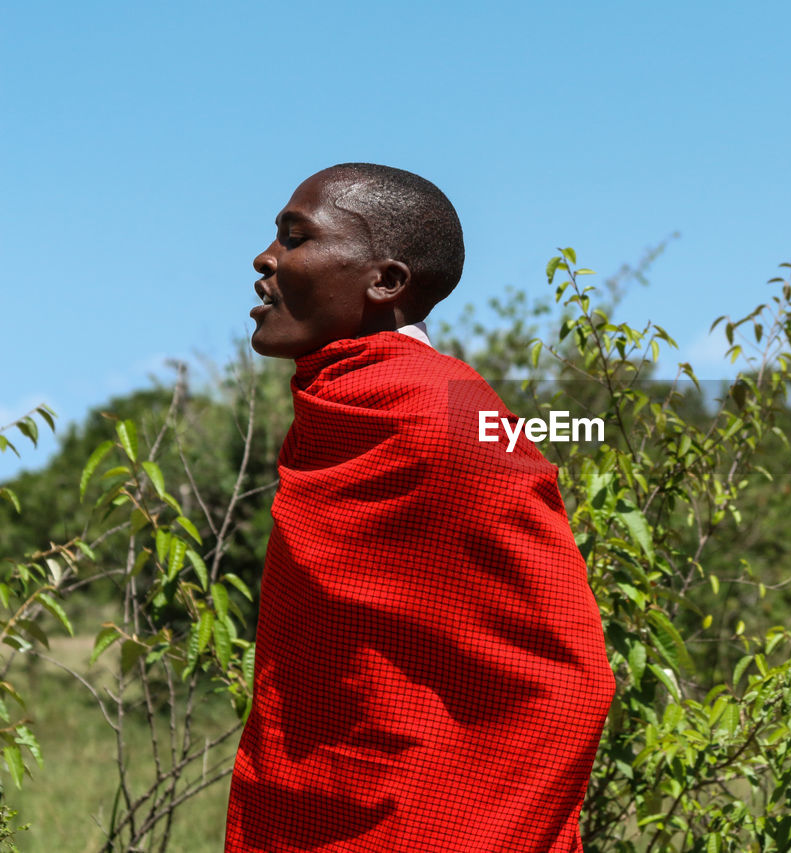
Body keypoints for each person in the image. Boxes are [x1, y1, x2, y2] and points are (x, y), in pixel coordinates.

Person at [224, 164, 615, 852]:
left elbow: (569, 676)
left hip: (431, 821)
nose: (265, 258)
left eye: (295, 237)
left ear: (386, 281)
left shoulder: (451, 419)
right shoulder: (335, 407)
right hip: (314, 802)